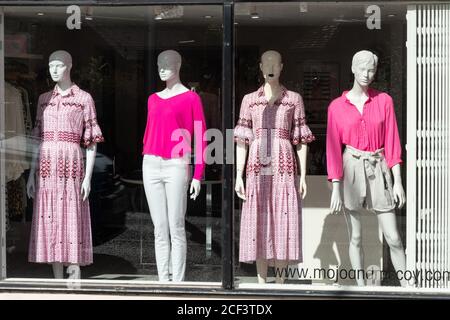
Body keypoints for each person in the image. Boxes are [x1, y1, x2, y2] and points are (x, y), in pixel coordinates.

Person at [326, 50, 407, 287]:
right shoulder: (337, 107)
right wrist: (335, 186)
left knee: (393, 237)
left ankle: (408, 288)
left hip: (378, 165)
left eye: (371, 69)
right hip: (351, 165)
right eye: (362, 68)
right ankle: (361, 289)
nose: (366, 74)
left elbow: (392, 142)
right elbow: (332, 149)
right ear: (352, 68)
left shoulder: (384, 101)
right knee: (356, 237)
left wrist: (398, 181)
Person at [234, 50, 315, 284]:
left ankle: (280, 283)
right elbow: (242, 140)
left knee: (283, 216)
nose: (270, 67)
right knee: (258, 216)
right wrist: (239, 175)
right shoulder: (249, 100)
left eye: (275, 63)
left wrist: (303, 175)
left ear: (281, 67)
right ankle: (261, 282)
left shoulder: (294, 99)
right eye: (266, 63)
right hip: (258, 162)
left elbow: (300, 138)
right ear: (260, 66)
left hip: (284, 161)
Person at [27, 50, 104, 279]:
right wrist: (31, 174)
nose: (54, 70)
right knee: (50, 220)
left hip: (71, 167)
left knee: (71, 219)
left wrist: (88, 177)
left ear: (69, 66)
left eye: (59, 65)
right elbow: (38, 138)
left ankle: (73, 282)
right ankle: (58, 282)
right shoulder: (43, 100)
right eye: (51, 65)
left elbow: (91, 141)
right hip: (46, 168)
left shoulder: (83, 99)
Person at [142, 49, 207, 282]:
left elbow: (200, 136)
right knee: (159, 228)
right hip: (150, 163)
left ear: (178, 65)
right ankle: (162, 280)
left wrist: (198, 174)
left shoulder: (191, 98)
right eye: (158, 63)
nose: (161, 67)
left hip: (176, 164)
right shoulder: (152, 98)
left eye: (167, 63)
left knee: (176, 226)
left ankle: (177, 283)